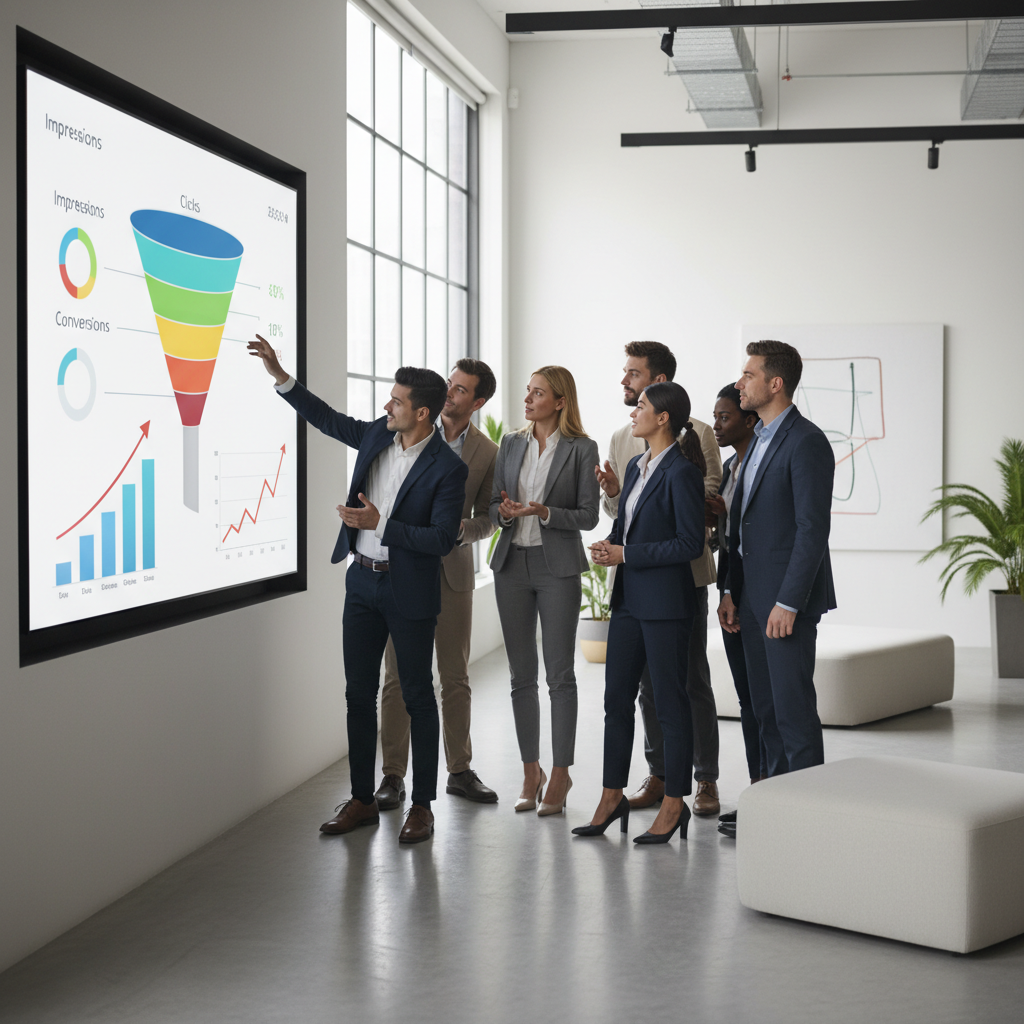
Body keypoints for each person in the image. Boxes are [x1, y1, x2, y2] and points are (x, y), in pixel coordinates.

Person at [248, 334, 467, 844]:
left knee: (417, 695)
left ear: (423, 413)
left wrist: (380, 522)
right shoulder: (376, 435)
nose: (386, 406)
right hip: (361, 585)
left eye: (396, 401)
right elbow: (327, 419)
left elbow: (439, 539)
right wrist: (281, 376)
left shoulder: (448, 469)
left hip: (409, 592)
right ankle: (362, 800)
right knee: (356, 694)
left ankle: (423, 805)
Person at [594, 341, 724, 817]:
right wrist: (613, 495)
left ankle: (702, 777)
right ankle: (661, 774)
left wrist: (633, 545)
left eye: (634, 374)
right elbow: (621, 511)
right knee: (644, 688)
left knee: (688, 683)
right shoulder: (623, 443)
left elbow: (705, 499)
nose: (625, 382)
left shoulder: (700, 435)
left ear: (659, 384)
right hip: (632, 583)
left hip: (679, 581)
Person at [574, 382, 706, 844]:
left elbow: (691, 544)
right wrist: (611, 545)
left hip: (667, 605)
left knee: (670, 703)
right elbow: (625, 524)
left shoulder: (683, 473)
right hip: (628, 601)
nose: (635, 411)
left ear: (664, 417)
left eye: (643, 406)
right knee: (615, 702)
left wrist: (626, 554)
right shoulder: (634, 465)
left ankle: (675, 803)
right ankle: (611, 796)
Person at [717, 340, 836, 839]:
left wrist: (788, 601)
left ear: (775, 383)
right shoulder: (759, 439)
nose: (740, 383)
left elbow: (812, 529)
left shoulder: (806, 441)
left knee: (792, 712)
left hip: (785, 600)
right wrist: (729, 590)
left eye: (748, 375)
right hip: (749, 597)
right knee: (762, 711)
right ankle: (770, 805)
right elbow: (740, 529)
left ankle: (807, 818)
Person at [375, 360, 500, 809]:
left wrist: (460, 530)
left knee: (455, 676)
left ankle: (460, 770)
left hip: (451, 572)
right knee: (398, 678)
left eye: (461, 390)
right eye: (449, 385)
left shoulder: (487, 452)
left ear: (478, 401)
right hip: (402, 569)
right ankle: (392, 775)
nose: (450, 394)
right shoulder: (403, 434)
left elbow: (490, 517)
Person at [489, 366, 600, 817]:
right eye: (528, 392)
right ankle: (530, 770)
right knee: (520, 676)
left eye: (538, 393)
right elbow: (494, 509)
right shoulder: (511, 444)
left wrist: (545, 511)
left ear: (560, 401)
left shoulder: (582, 448)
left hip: (558, 569)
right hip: (512, 564)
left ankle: (560, 773)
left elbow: (589, 516)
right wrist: (511, 513)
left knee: (559, 676)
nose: (528, 399)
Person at [705, 383, 765, 787]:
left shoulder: (762, 463)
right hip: (730, 589)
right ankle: (756, 789)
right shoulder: (728, 468)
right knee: (747, 699)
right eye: (714, 417)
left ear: (749, 419)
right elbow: (728, 541)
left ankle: (772, 789)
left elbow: (753, 537)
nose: (716, 426)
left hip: (753, 591)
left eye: (724, 417)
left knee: (764, 700)